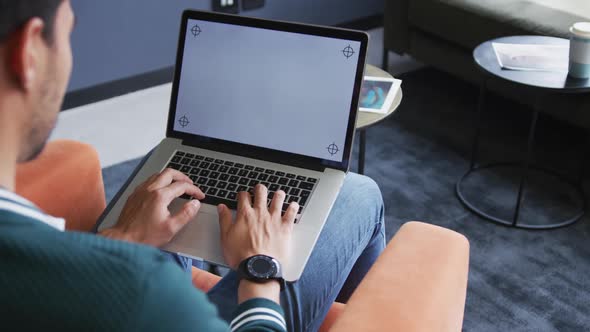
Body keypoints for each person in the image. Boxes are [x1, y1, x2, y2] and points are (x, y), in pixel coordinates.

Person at [0, 1, 385, 331]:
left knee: (168, 184)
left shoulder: (42, 263)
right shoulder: (144, 292)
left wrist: (122, 240)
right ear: (29, 51)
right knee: (359, 192)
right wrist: (259, 269)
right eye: (70, 32)